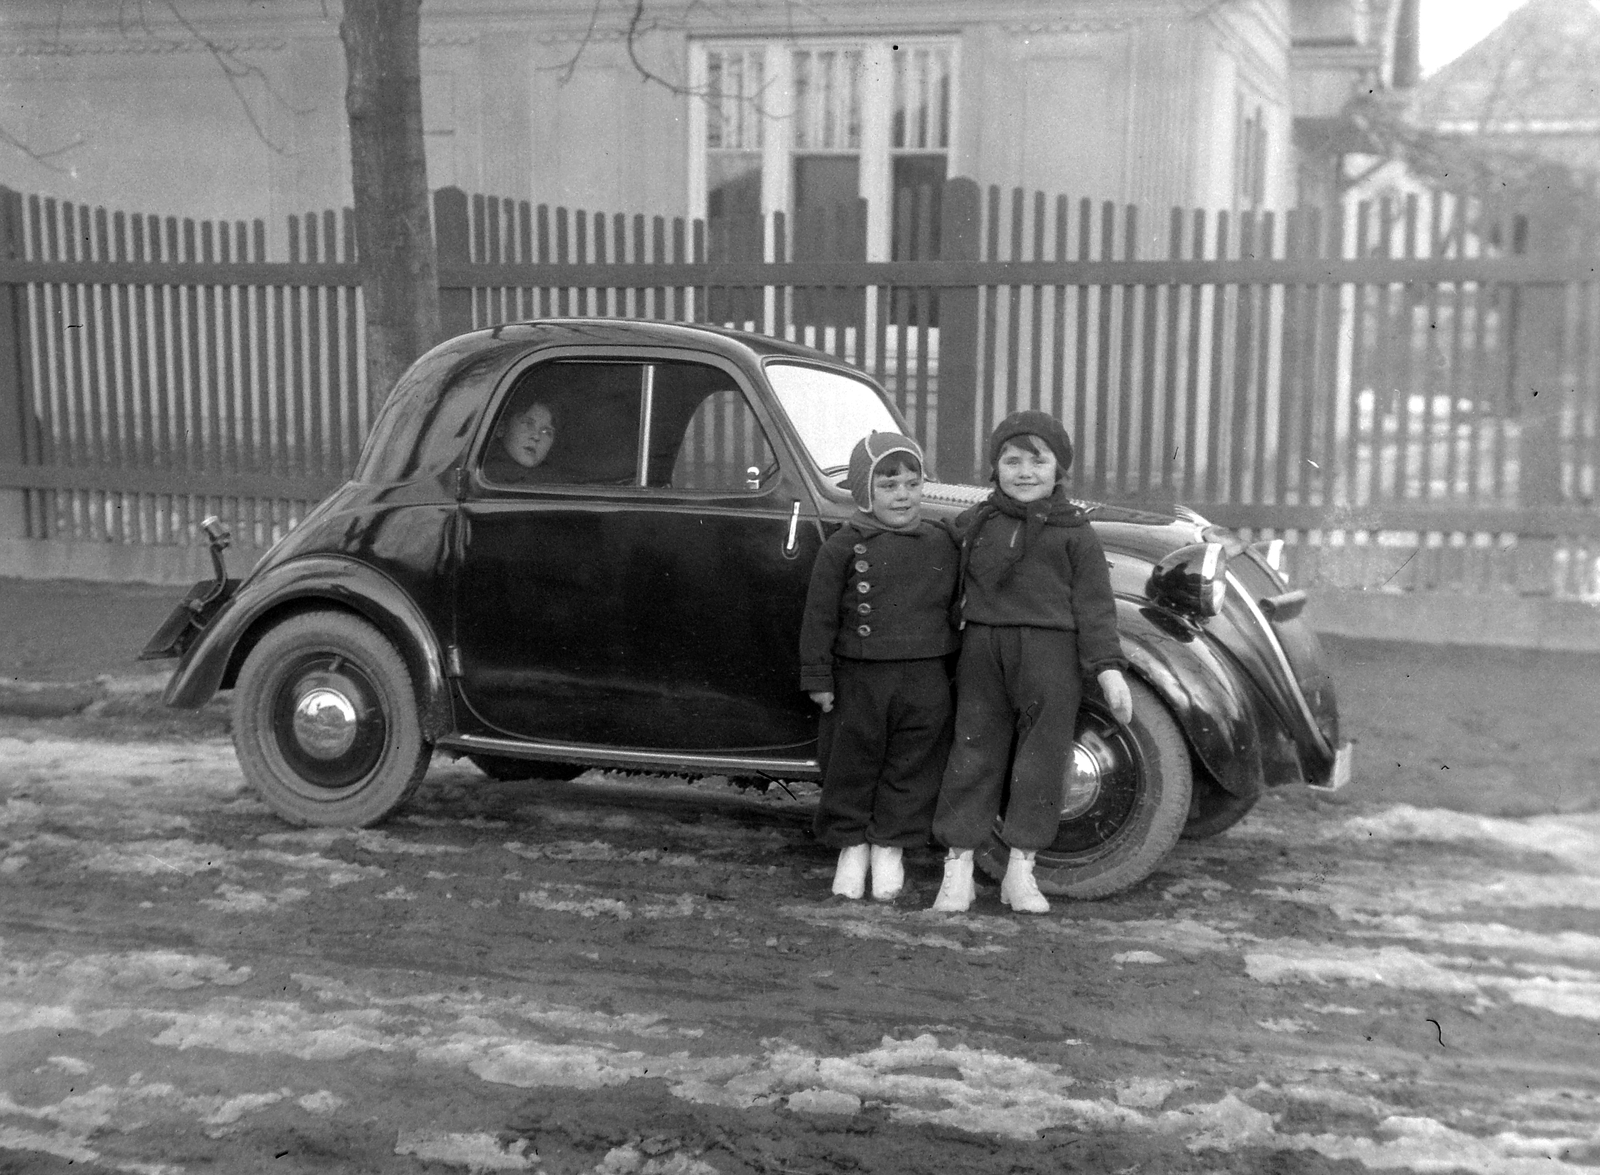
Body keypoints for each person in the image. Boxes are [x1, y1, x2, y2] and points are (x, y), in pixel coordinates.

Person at [930, 410, 1134, 915]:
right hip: (983, 651)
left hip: (1051, 658)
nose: (1024, 472)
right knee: (972, 750)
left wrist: (1108, 668)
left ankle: (1021, 870)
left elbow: (1095, 606)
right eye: (1011, 460)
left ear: (1059, 470)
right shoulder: (977, 523)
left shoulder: (1075, 532)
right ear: (994, 468)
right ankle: (957, 867)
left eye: (1037, 462)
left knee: (1042, 761)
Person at [799, 432, 961, 902]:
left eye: (913, 483)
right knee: (852, 764)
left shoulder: (941, 541)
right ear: (864, 492)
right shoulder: (843, 548)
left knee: (912, 767)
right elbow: (820, 616)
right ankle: (850, 848)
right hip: (860, 677)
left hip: (925, 675)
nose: (904, 496)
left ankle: (891, 847)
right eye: (889, 486)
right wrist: (818, 677)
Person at [483, 399, 557, 483]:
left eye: (546, 432)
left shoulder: (554, 483)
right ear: (501, 428)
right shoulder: (486, 476)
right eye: (528, 423)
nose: (536, 436)